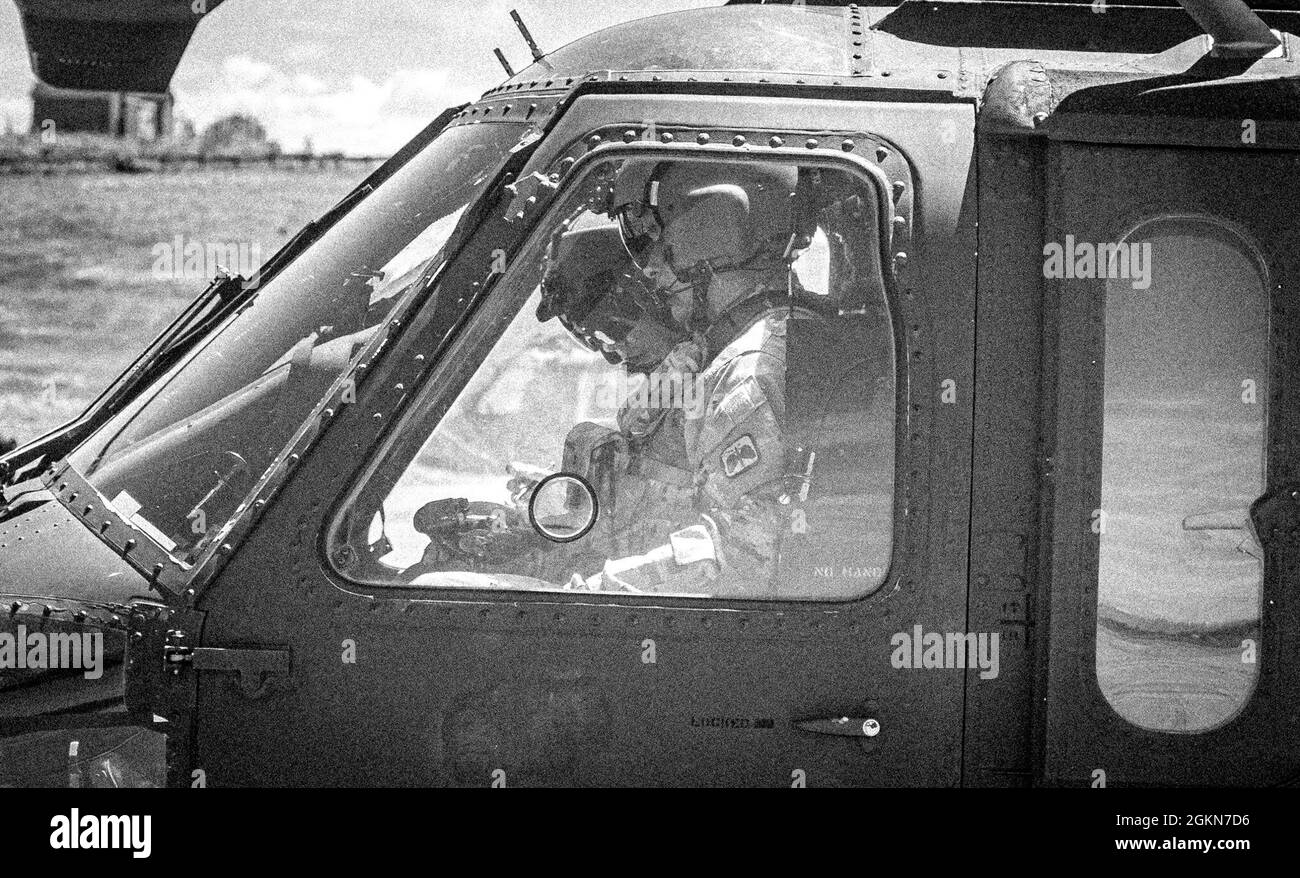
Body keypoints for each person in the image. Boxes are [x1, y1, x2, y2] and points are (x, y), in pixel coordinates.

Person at [560, 159, 813, 595]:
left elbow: (743, 555)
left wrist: (592, 593)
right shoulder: (732, 350)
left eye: (654, 246)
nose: (648, 271)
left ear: (708, 237)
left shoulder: (748, 371)